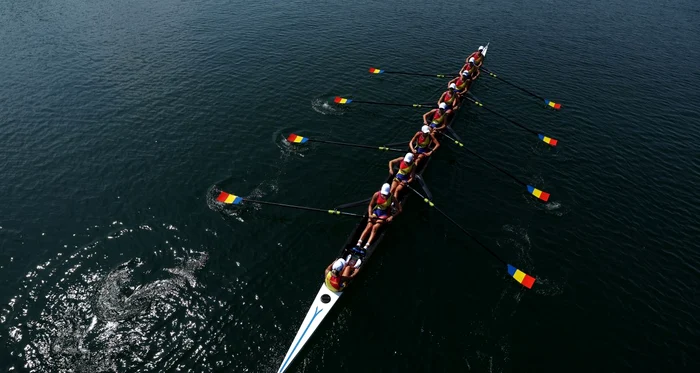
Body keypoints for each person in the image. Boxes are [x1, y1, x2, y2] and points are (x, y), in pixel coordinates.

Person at [354, 183, 401, 250]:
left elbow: (399, 210)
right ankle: (358, 244)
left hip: (384, 214)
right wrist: (370, 214)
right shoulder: (376, 194)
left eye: (385, 194)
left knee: (374, 228)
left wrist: (391, 217)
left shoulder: (392, 197)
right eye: (383, 194)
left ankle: (366, 247)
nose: (383, 195)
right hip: (376, 212)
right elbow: (370, 205)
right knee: (369, 226)